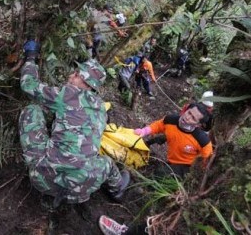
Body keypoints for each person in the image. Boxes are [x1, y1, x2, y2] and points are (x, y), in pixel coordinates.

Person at [19, 39, 130, 230]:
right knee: (107, 163)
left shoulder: (68, 93)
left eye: (77, 74)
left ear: (85, 83)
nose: (71, 76)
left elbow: (28, 85)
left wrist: (30, 58)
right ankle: (117, 189)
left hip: (42, 177)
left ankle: (36, 165)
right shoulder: (101, 109)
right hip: (82, 188)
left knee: (31, 111)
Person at [134, 103, 213, 178]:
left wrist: (197, 175)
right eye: (189, 113)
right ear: (186, 110)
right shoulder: (171, 120)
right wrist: (143, 131)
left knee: (159, 174)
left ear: (197, 124)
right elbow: (158, 125)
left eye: (193, 118)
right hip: (172, 161)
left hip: (187, 167)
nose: (188, 117)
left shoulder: (202, 140)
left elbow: (206, 160)